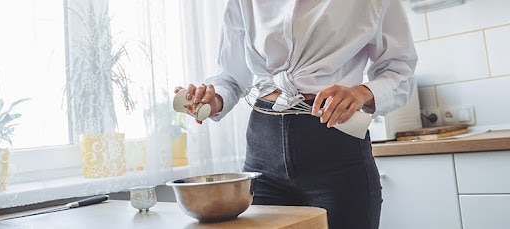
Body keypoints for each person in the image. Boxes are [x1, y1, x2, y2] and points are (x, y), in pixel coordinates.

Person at [175, 0, 417, 228]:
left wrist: (362, 92)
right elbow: (231, 77)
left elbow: (400, 70)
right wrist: (213, 99)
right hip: (263, 153)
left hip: (336, 151)